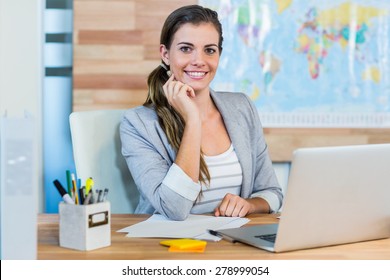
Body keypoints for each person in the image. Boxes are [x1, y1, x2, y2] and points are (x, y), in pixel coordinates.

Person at [120, 4, 283, 221]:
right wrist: (193, 120)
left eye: (209, 50)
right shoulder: (138, 124)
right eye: (186, 48)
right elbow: (174, 209)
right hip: (168, 246)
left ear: (219, 55)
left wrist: (249, 205)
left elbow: (273, 193)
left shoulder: (242, 107)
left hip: (231, 243)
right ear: (166, 54)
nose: (199, 60)